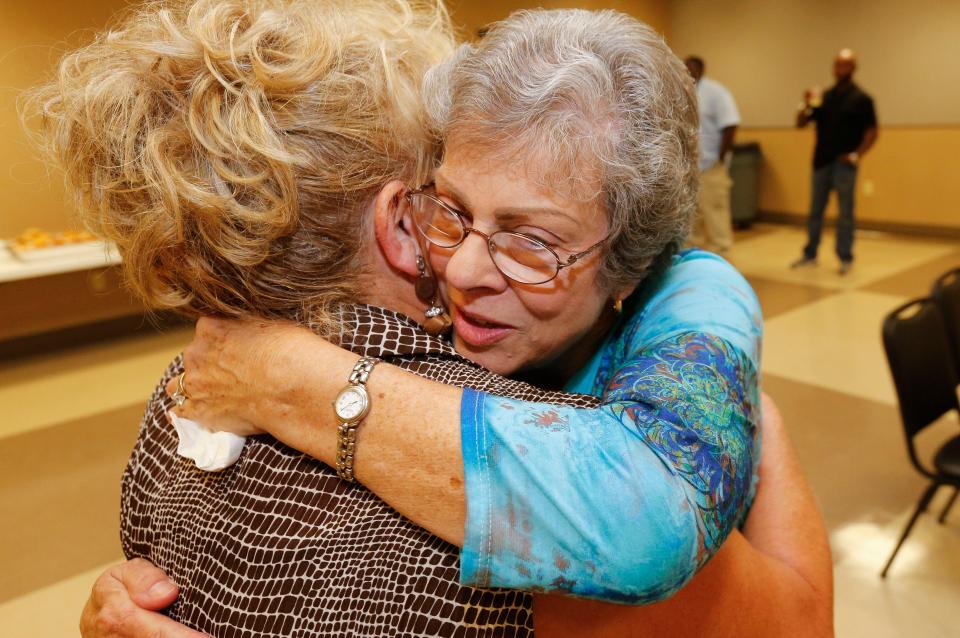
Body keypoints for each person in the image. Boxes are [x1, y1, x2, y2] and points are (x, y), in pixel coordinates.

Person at [28, 1, 830, 635]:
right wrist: (760, 420)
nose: (471, 267)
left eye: (533, 240)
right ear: (400, 221)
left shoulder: (191, 393)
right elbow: (798, 623)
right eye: (446, 207)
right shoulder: (534, 501)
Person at [791, 48, 878, 275]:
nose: (841, 70)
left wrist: (857, 154)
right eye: (837, 65)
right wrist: (806, 102)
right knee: (815, 211)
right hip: (821, 162)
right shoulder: (825, 97)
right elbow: (801, 123)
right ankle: (810, 254)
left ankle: (845, 256)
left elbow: (872, 131)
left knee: (845, 212)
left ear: (853, 68)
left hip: (845, 164)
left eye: (845, 65)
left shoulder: (862, 99)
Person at [684, 55, 740, 254]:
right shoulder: (682, 92)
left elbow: (730, 125)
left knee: (716, 218)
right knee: (691, 223)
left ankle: (723, 264)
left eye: (691, 68)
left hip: (711, 167)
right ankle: (693, 265)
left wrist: (720, 158)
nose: (687, 71)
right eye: (684, 67)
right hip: (688, 169)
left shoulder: (716, 93)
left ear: (701, 70)